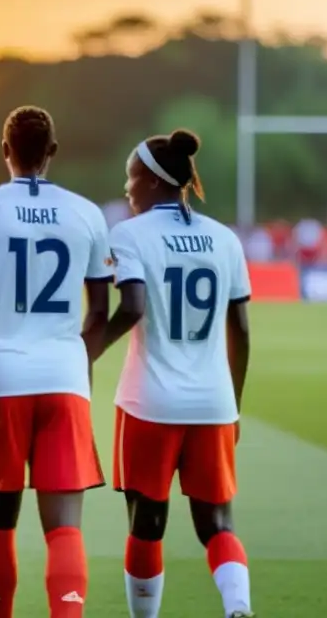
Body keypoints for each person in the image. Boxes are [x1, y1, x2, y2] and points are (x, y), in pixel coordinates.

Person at [0, 106, 112, 618]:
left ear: (5, 150)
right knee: (64, 526)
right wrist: (78, 358)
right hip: (63, 377)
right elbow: (101, 310)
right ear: (52, 153)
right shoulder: (87, 212)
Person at [91, 130, 254, 618]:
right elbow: (241, 331)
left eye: (130, 178)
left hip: (149, 402)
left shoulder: (129, 234)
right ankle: (238, 606)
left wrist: (84, 352)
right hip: (214, 404)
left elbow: (132, 306)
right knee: (218, 524)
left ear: (152, 182)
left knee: (146, 523)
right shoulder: (224, 238)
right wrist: (234, 405)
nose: (126, 189)